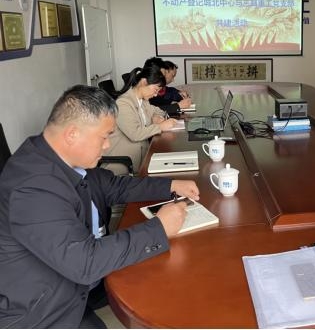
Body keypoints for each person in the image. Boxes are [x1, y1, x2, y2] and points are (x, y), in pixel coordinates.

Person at [0, 85, 200, 328]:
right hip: (44, 313)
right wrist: (159, 228)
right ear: (72, 134)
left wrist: (170, 185)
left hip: (77, 283)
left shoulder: (62, 157)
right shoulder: (33, 189)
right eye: (104, 137)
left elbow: (116, 186)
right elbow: (85, 263)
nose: (107, 146)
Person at [104, 64, 178, 174]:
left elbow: (159, 111)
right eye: (155, 90)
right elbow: (135, 134)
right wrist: (160, 127)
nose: (156, 95)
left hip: (142, 156)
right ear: (144, 82)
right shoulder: (123, 103)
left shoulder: (142, 101)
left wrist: (154, 117)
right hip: (124, 165)